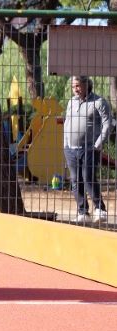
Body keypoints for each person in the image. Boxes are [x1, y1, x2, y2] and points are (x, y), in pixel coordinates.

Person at [63, 76, 112, 224]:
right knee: (75, 181)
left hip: (89, 148)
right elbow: (67, 122)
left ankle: (100, 209)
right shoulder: (71, 102)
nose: (75, 89)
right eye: (73, 86)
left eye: (78, 86)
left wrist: (97, 144)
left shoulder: (99, 102)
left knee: (88, 178)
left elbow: (108, 124)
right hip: (70, 149)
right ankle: (83, 212)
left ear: (86, 84)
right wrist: (65, 144)